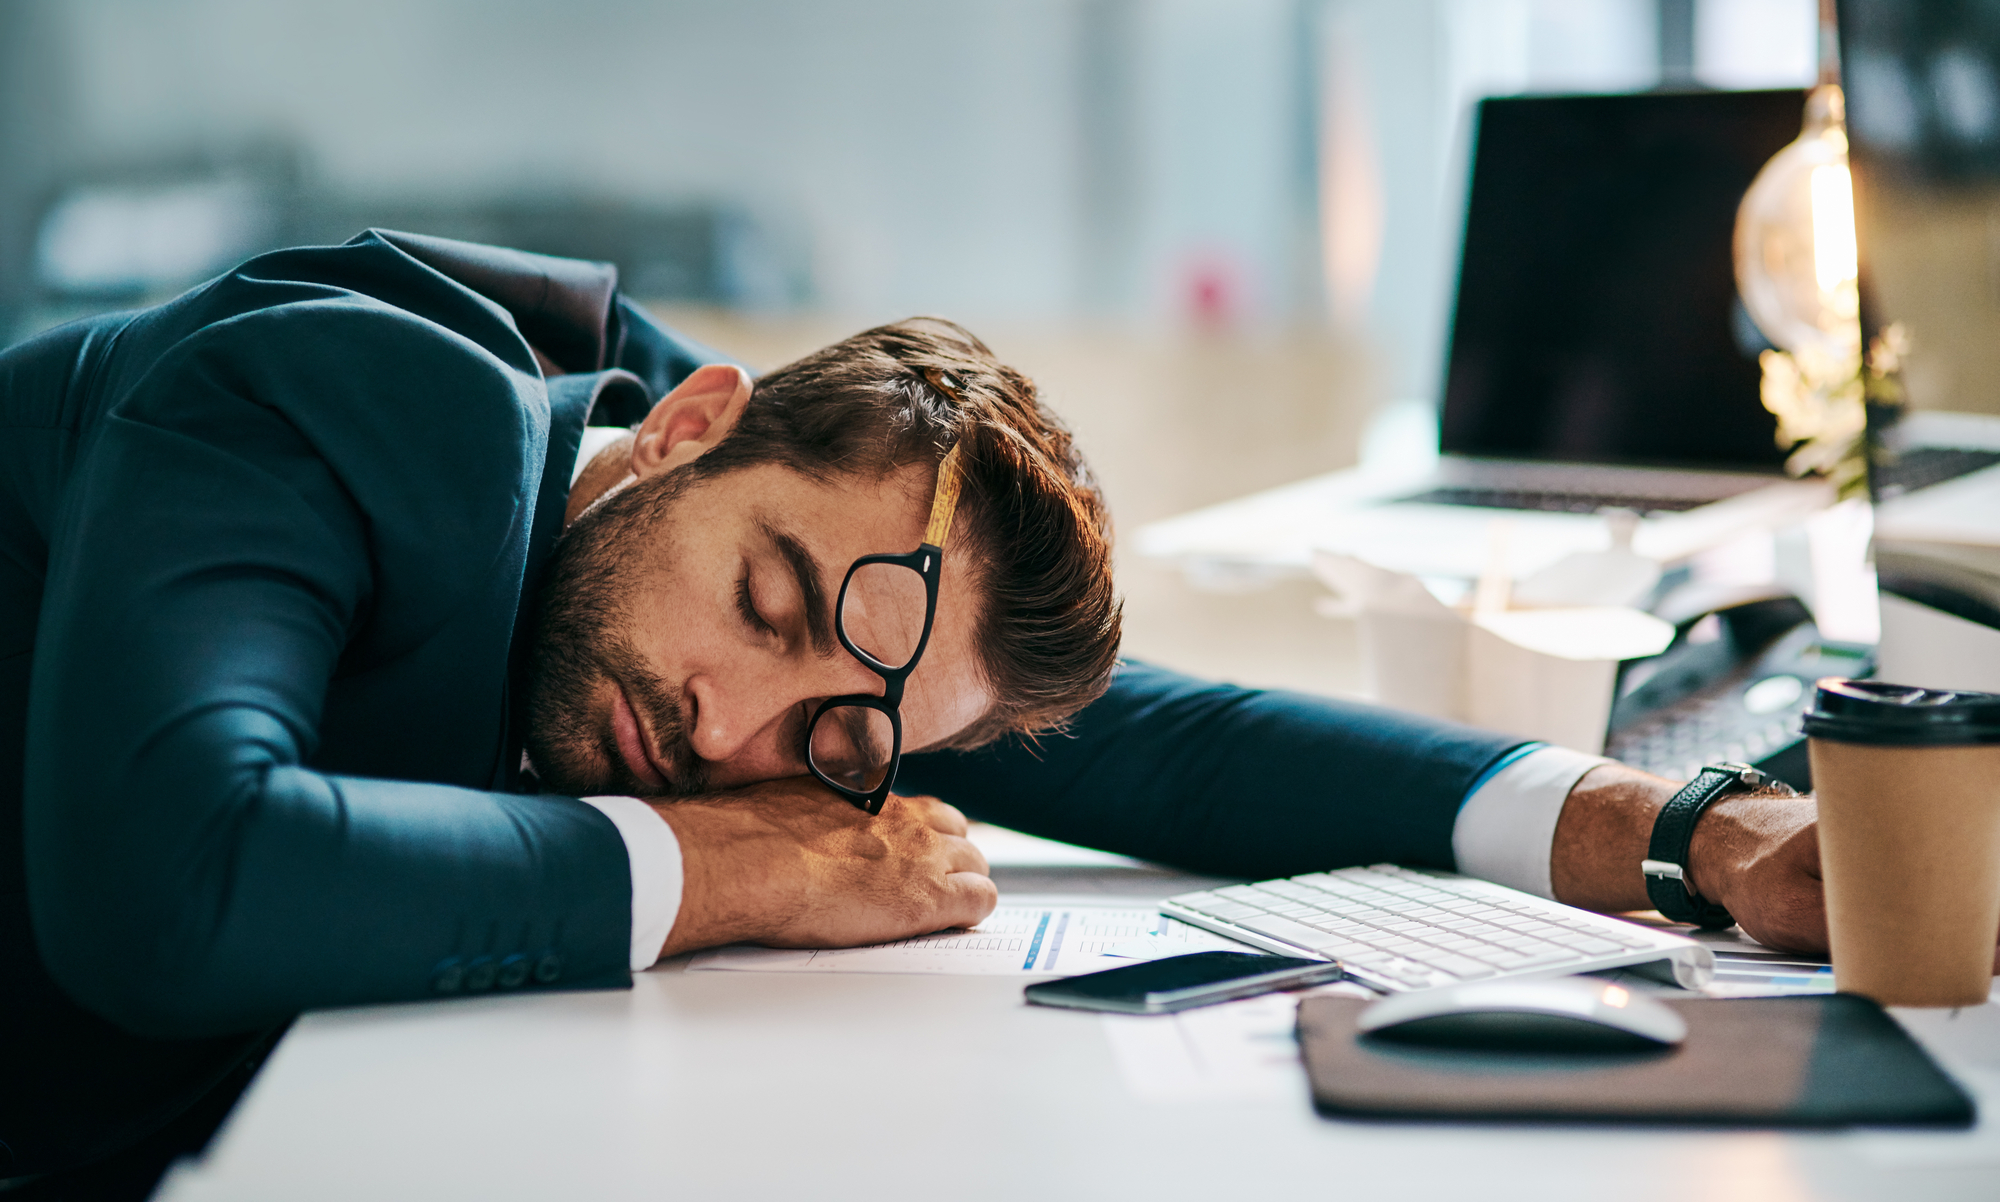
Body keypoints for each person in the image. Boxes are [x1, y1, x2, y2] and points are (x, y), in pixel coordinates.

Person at [0, 230, 1823, 1187]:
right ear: (691, 425)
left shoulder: (706, 508)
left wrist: (1675, 832)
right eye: (768, 606)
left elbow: (1160, 738)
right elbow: (173, 882)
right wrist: (725, 874)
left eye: (834, 744)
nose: (730, 736)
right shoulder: (354, 398)